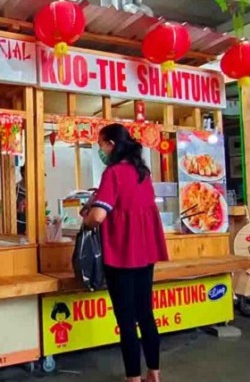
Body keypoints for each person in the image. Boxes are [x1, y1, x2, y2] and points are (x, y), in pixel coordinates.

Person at [82, 123, 168, 382]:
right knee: (146, 314)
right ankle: (154, 373)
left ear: (110, 143)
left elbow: (98, 216)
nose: (100, 150)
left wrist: (86, 220)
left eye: (100, 145)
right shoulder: (143, 171)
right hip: (145, 252)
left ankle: (133, 378)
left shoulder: (114, 172)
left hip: (121, 253)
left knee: (127, 320)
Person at [16, 164, 27, 234]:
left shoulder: (37, 190)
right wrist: (20, 209)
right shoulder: (15, 189)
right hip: (19, 230)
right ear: (23, 172)